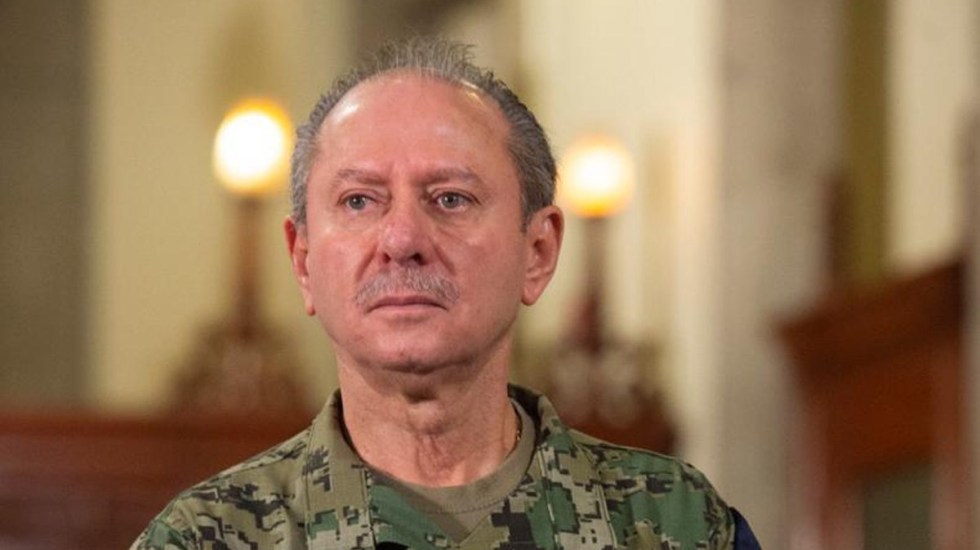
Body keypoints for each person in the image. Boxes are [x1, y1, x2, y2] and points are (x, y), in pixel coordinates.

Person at [132, 37, 760, 550]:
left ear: (538, 251)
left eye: (451, 198)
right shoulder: (208, 539)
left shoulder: (676, 524)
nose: (402, 239)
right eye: (359, 201)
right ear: (303, 261)